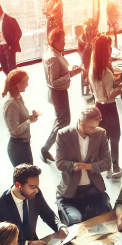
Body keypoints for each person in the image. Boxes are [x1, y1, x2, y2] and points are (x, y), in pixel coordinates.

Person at [0, 164, 68, 245]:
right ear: (18, 185)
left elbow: (47, 214)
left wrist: (60, 226)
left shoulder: (35, 194)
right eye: (33, 187)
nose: (36, 190)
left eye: (37, 186)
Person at [55, 106, 113, 225]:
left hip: (93, 189)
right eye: (91, 127)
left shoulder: (100, 133)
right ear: (80, 122)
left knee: (108, 220)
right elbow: (60, 163)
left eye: (96, 126)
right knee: (75, 223)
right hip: (71, 193)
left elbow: (107, 163)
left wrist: (87, 166)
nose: (94, 130)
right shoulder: (63, 134)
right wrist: (73, 165)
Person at [39, 29, 84, 164]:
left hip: (58, 93)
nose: (65, 43)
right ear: (54, 41)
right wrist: (71, 73)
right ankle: (45, 148)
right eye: (62, 41)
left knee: (60, 120)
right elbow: (54, 81)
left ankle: (51, 145)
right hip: (58, 94)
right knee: (64, 121)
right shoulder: (53, 57)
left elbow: (61, 70)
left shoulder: (53, 52)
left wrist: (72, 69)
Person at [89, 35, 122, 178]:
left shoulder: (93, 68)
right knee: (115, 137)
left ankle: (105, 167)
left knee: (103, 139)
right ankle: (115, 167)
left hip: (98, 105)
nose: (111, 49)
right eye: (109, 47)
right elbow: (110, 95)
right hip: (109, 109)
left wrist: (115, 86)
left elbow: (101, 91)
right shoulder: (106, 72)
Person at [1, 69, 39, 167]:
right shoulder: (11, 104)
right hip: (19, 148)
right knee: (26, 178)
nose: (27, 84)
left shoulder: (18, 98)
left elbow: (20, 119)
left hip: (24, 144)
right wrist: (29, 121)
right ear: (17, 84)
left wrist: (30, 118)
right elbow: (14, 130)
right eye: (25, 81)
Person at [0, 2, 22, 77]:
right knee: (4, 67)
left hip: (8, 46)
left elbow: (19, 33)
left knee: (12, 67)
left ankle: (15, 81)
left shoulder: (11, 19)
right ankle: (9, 80)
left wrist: (12, 44)